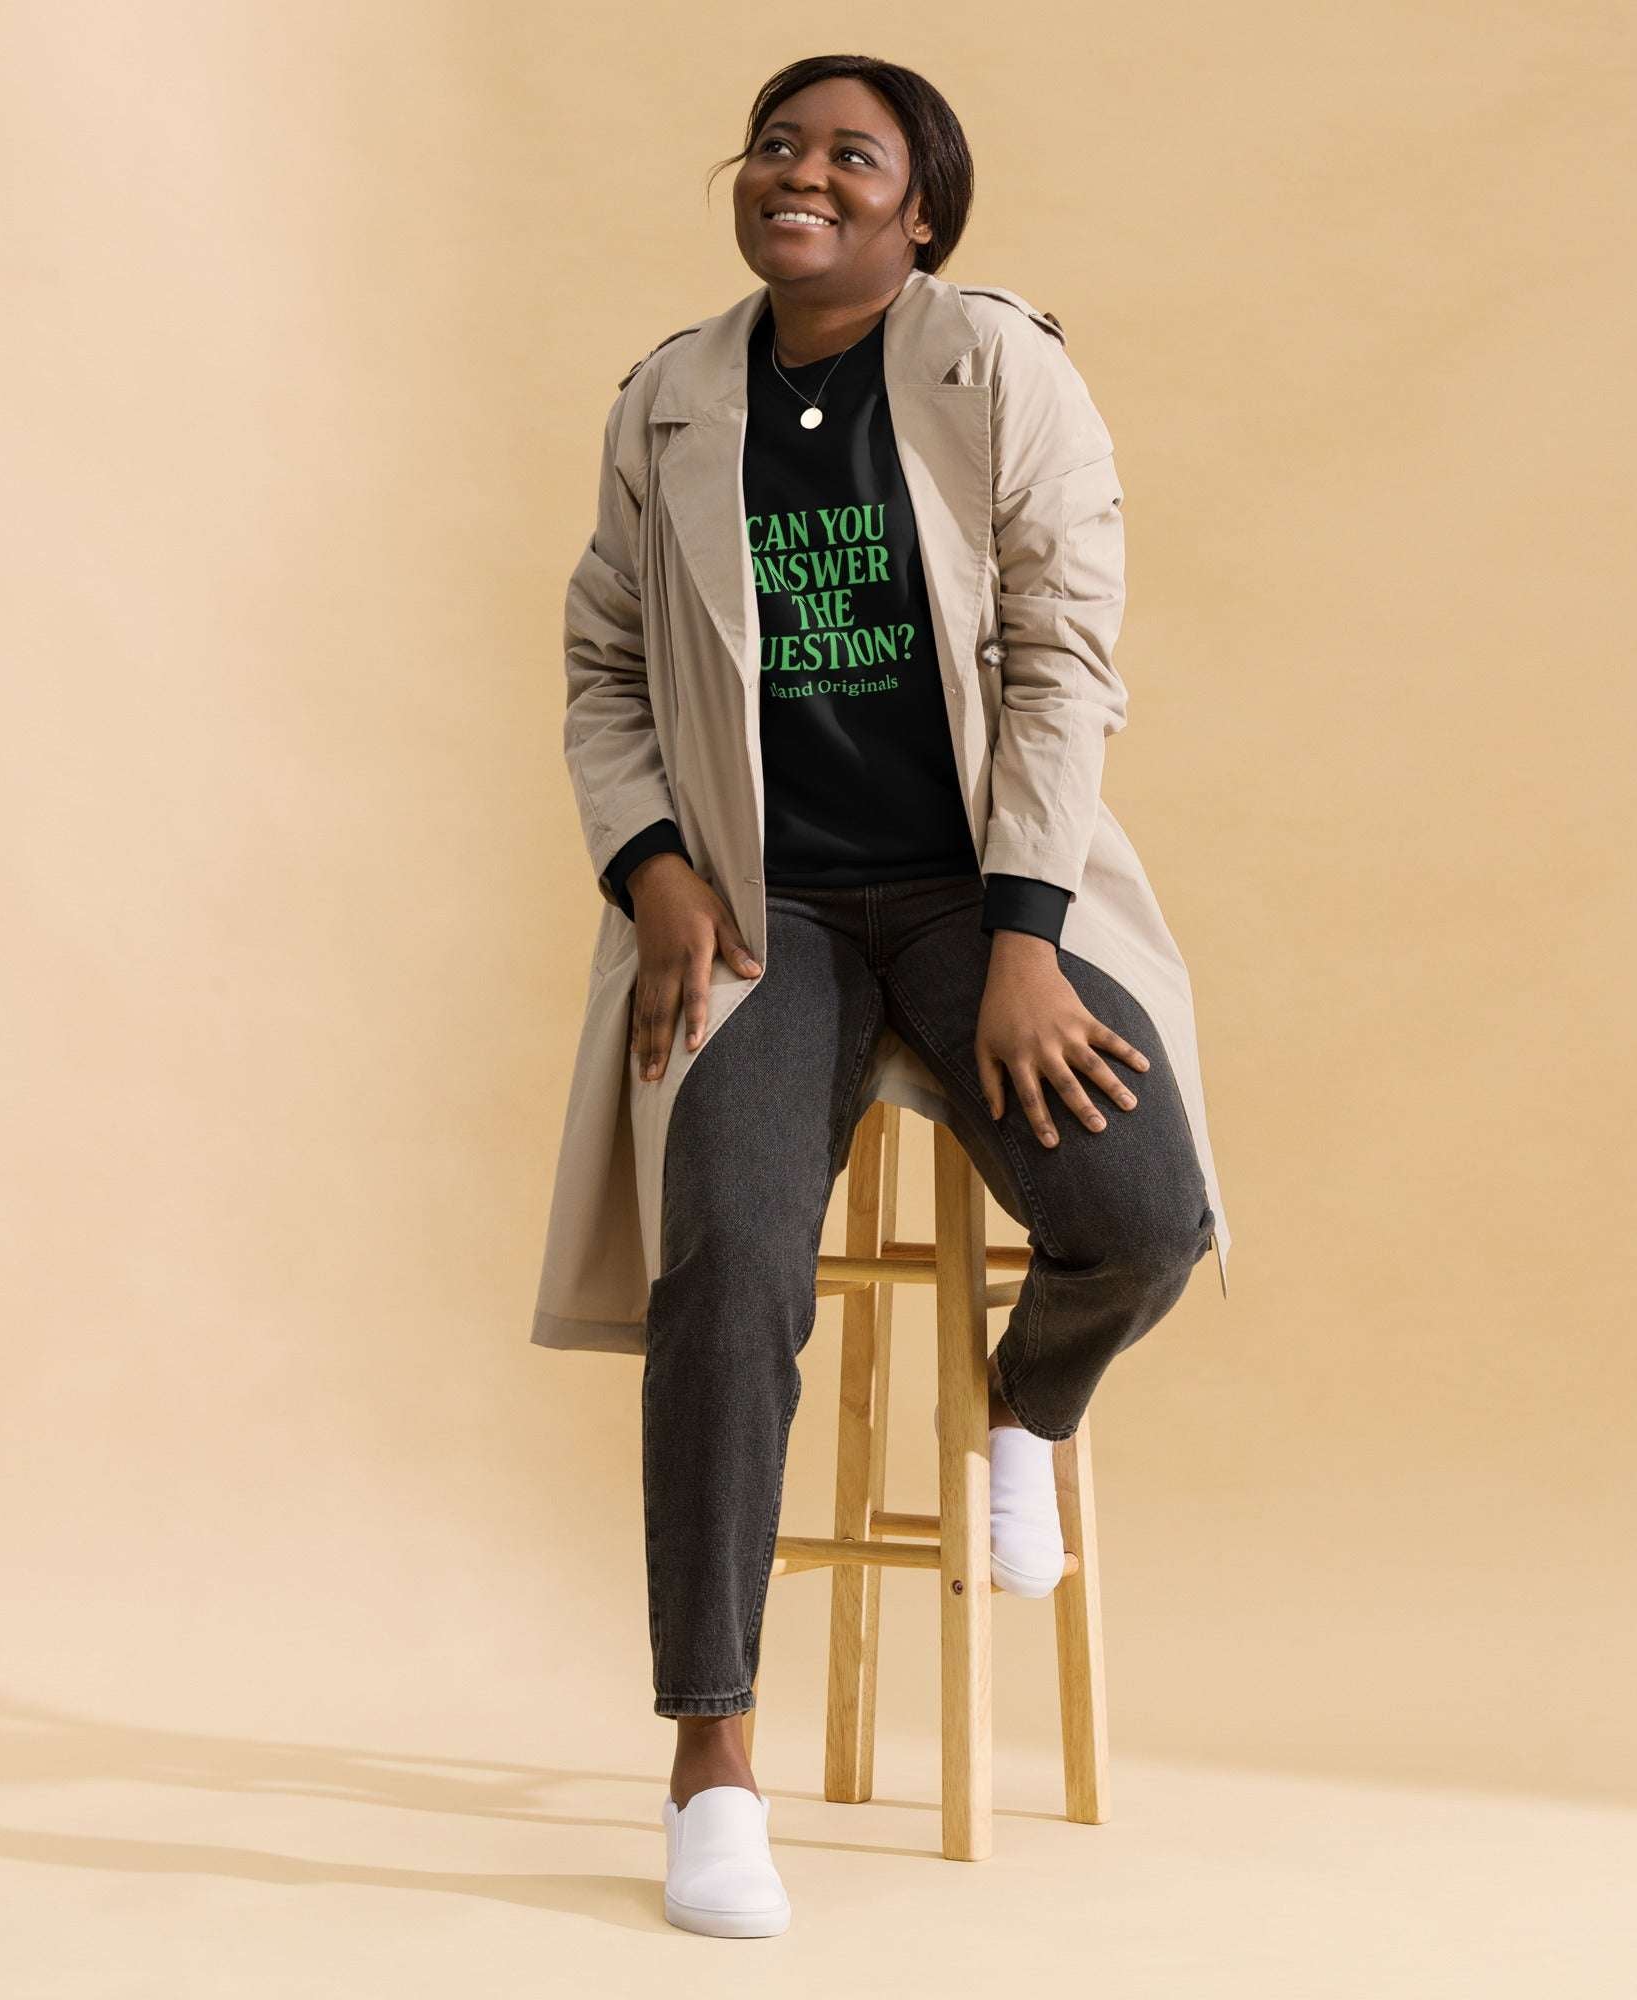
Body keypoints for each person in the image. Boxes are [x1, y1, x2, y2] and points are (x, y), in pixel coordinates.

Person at [550, 55, 1229, 1938]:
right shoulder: (673, 399)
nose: (804, 174)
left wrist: (1024, 940)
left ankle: (1027, 1410)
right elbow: (605, 661)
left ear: (920, 212)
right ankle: (710, 1761)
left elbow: (1063, 657)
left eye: (855, 155)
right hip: (766, 915)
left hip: (976, 884)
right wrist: (654, 865)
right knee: (732, 1264)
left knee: (1142, 1212)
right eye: (779, 144)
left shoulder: (998, 368)